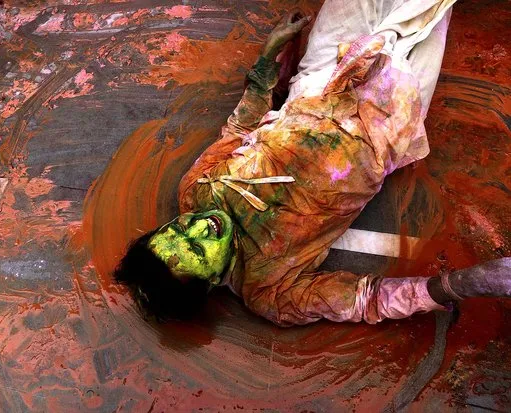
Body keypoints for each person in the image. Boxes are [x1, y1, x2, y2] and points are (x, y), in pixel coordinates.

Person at [114, 0, 511, 325]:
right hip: (390, 118)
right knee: (430, 8)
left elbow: (238, 129)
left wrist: (269, 57)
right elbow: (367, 300)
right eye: (199, 251)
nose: (200, 226)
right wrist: (466, 283)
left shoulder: (194, 193)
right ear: (210, 283)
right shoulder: (271, 291)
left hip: (320, 77)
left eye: (178, 230)